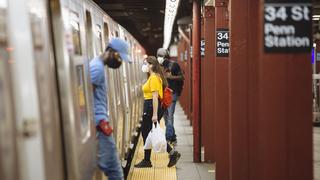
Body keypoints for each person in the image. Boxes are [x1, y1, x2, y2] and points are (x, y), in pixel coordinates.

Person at [90, 38, 131, 180]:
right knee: (115, 172)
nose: (120, 62)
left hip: (99, 125)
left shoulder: (98, 66)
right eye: (119, 57)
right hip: (99, 126)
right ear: (111, 52)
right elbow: (86, 96)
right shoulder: (97, 69)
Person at [134, 56, 181, 168]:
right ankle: (169, 154)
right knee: (150, 132)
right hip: (150, 105)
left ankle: (148, 160)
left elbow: (155, 97)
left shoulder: (154, 77)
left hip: (151, 106)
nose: (144, 66)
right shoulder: (153, 77)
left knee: (147, 132)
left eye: (146, 63)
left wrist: (154, 114)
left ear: (152, 65)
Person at [156, 48, 184, 147]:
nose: (159, 58)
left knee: (170, 116)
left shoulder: (174, 65)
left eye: (161, 56)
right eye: (158, 56)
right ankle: (173, 137)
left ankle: (167, 138)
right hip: (162, 95)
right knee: (166, 116)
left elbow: (182, 77)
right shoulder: (157, 66)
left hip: (172, 94)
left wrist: (172, 77)